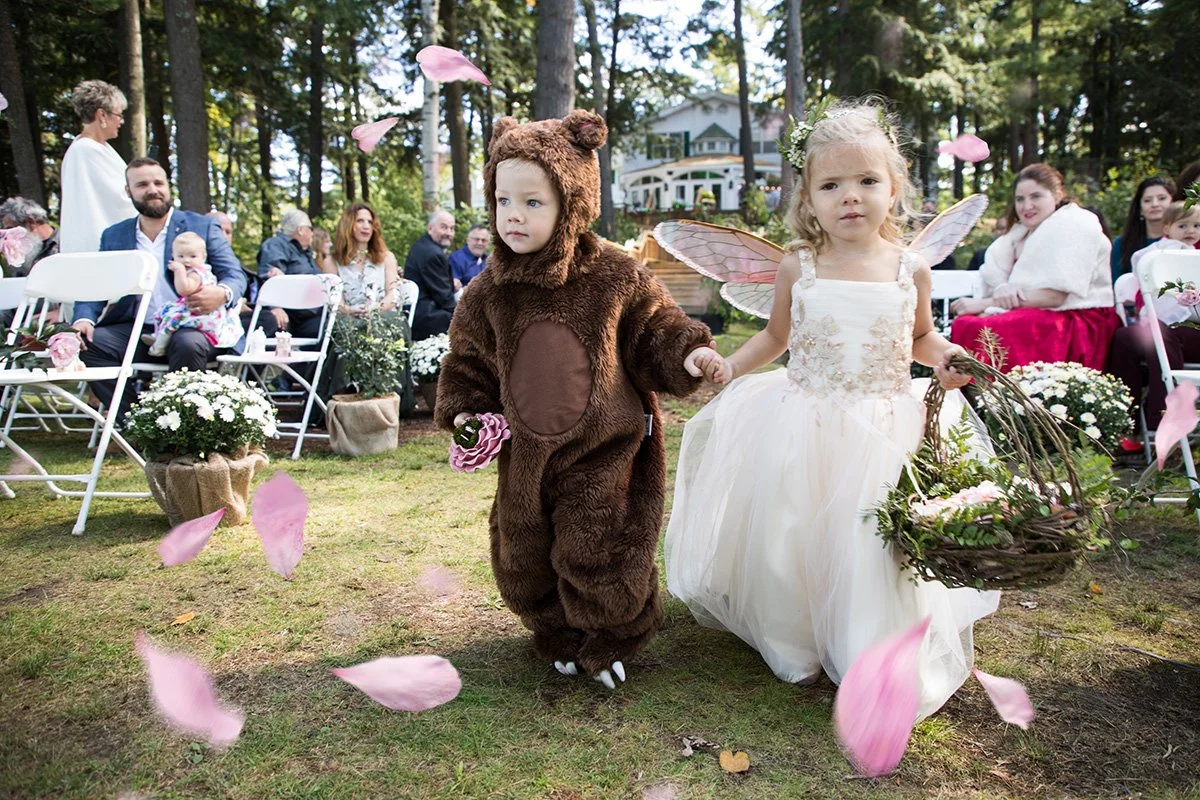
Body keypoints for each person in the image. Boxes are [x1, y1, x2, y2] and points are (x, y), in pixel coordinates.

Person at [663, 99, 997, 720]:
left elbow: (920, 337)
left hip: (884, 424)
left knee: (870, 539)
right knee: (795, 529)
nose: (851, 196)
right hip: (807, 418)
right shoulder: (801, 265)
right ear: (808, 199)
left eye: (867, 181)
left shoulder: (910, 268)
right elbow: (777, 337)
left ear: (893, 188)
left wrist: (948, 357)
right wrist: (732, 366)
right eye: (832, 184)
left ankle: (869, 640)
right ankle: (798, 633)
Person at [435, 110, 717, 689]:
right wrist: (465, 409)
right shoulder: (488, 292)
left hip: (603, 445)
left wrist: (686, 352)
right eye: (503, 200)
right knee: (525, 545)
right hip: (528, 452)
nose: (514, 215)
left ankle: (614, 632)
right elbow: (467, 360)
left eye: (533, 202)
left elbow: (654, 327)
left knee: (599, 542)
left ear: (572, 200)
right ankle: (555, 628)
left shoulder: (615, 275)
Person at [70, 158, 245, 418]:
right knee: (84, 342)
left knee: (188, 344)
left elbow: (234, 273)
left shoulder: (202, 226)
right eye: (142, 184)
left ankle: (182, 425)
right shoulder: (114, 235)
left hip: (191, 325)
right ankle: (138, 421)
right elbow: (95, 285)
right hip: (139, 329)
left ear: (168, 186)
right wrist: (83, 318)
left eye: (158, 182)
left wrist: (222, 293)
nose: (152, 189)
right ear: (128, 191)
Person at [949, 163, 1119, 372]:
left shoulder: (1075, 224)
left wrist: (985, 303)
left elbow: (1055, 296)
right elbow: (999, 277)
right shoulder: (1020, 234)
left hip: (1077, 318)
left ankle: (999, 398)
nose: (1026, 206)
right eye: (1020, 199)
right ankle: (980, 399)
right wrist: (1001, 289)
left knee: (979, 328)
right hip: (1041, 311)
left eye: (1036, 196)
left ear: (1057, 195)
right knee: (966, 323)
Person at [1107, 201, 1200, 445]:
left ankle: (1164, 425)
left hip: (1192, 328)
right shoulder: (1153, 255)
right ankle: (1124, 425)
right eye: (1184, 225)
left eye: (1197, 225)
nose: (1191, 230)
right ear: (1167, 227)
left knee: (1163, 339)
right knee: (1124, 339)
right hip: (1157, 325)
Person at [58, 80, 136, 256]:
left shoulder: (97, 148)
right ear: (102, 115)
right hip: (97, 243)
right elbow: (119, 198)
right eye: (119, 115)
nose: (121, 121)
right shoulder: (86, 150)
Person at [140, 231, 242, 356]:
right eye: (181, 257)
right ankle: (158, 335)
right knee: (165, 311)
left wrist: (179, 271)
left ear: (203, 257)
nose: (186, 261)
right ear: (173, 256)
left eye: (193, 257)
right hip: (190, 308)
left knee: (173, 319)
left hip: (200, 313)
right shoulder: (193, 270)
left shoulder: (197, 273)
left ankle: (159, 346)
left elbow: (184, 289)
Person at [254, 210, 322, 341]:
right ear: (301, 230)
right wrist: (275, 306)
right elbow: (269, 275)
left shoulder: (305, 253)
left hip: (312, 315)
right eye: (310, 228)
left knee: (337, 329)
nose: (312, 233)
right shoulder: (276, 245)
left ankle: (310, 362)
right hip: (289, 315)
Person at [324, 203, 401, 316]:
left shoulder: (387, 257)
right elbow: (336, 303)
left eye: (370, 222)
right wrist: (350, 311)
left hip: (382, 317)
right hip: (348, 321)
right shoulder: (331, 262)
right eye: (360, 221)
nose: (366, 226)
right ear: (347, 225)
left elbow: (393, 295)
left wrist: (376, 309)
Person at [1111, 177, 1175, 283]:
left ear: (1173, 203)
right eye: (1147, 200)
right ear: (1140, 209)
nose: (1155, 204)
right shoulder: (1122, 244)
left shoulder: (1185, 241)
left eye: (1162, 198)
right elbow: (1117, 285)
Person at [404, 210, 457, 340]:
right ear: (430, 228)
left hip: (418, 310)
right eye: (444, 227)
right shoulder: (433, 254)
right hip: (425, 316)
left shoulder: (423, 245)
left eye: (452, 228)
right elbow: (444, 298)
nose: (448, 233)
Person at [0, 196, 59, 274]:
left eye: (11, 229)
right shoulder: (20, 254)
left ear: (31, 222)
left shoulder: (65, 243)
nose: (8, 236)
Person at [449, 224, 489, 295]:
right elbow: (453, 288)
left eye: (483, 240)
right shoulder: (456, 259)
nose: (480, 243)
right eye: (476, 239)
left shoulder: (489, 261)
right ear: (468, 240)